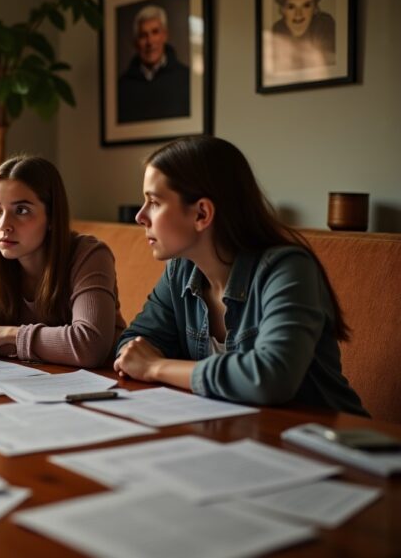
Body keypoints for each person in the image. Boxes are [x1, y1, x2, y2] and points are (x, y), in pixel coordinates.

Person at [115, 135, 366, 415]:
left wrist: (155, 367)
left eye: (154, 202)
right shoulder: (179, 270)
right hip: (239, 435)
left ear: (201, 213)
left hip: (330, 444)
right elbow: (134, 343)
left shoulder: (288, 269)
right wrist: (141, 358)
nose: (140, 216)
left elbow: (271, 378)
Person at [0, 156, 125, 367]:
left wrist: (11, 335)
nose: (4, 225)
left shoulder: (90, 255)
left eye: (21, 210)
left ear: (51, 217)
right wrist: (34, 346)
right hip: (29, 380)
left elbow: (89, 346)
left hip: (104, 383)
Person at [117, 4, 190, 124]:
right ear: (136, 43)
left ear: (165, 35)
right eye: (143, 35)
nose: (150, 42)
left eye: (155, 32)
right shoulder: (121, 87)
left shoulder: (185, 78)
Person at [271, 0, 336, 72]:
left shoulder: (325, 24)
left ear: (315, 8)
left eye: (306, 6)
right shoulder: (277, 30)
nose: (298, 14)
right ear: (283, 10)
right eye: (291, 7)